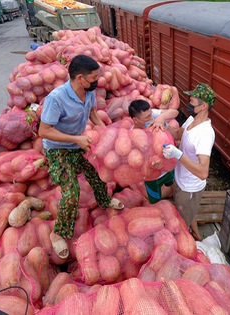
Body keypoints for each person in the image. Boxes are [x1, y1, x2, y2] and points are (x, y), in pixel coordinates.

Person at [38, 55, 123, 259]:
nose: (97, 81)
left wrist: (106, 133)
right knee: (71, 192)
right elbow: (44, 131)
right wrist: (75, 140)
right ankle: (57, 233)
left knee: (97, 171)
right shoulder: (56, 99)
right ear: (79, 78)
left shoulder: (88, 91)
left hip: (77, 143)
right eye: (93, 77)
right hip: (58, 149)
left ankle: (105, 200)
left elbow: (92, 113)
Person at [162, 83, 216, 241]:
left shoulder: (205, 134)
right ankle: (198, 235)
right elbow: (178, 133)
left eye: (192, 101)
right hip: (180, 179)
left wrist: (178, 155)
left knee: (182, 221)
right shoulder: (192, 120)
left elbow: (203, 172)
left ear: (203, 105)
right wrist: (162, 124)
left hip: (189, 188)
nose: (188, 104)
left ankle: (186, 240)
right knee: (189, 211)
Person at [128, 99, 179, 203]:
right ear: (135, 120)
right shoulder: (132, 136)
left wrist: (161, 118)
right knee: (155, 200)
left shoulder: (153, 115)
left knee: (176, 188)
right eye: (147, 118)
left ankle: (174, 194)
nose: (151, 118)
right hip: (152, 177)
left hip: (168, 167)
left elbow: (175, 112)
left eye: (151, 115)